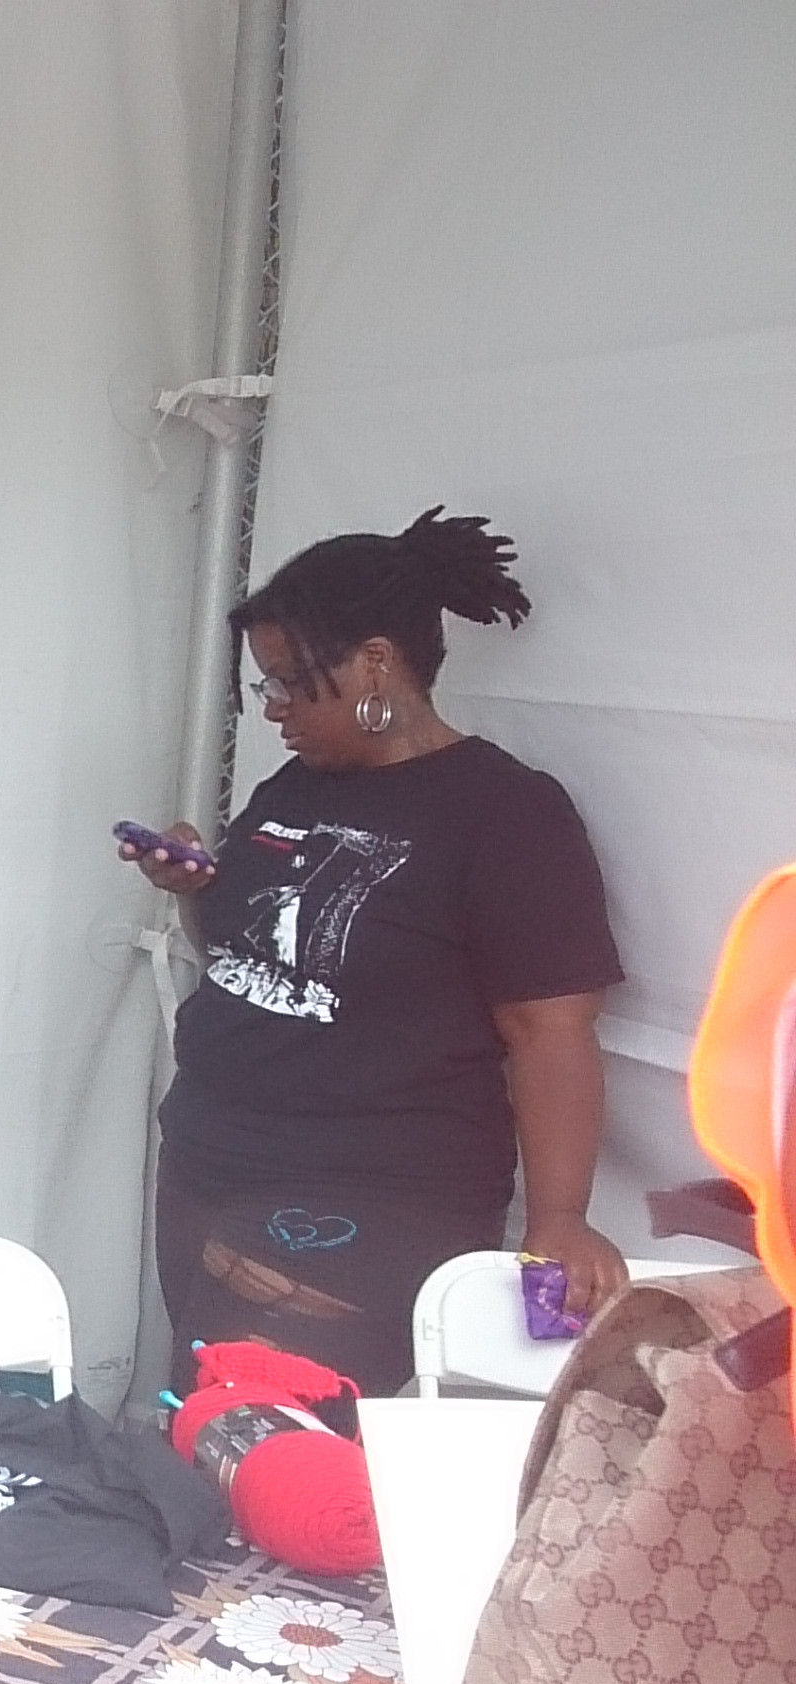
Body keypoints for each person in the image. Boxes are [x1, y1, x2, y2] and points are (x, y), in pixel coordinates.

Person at [124, 507, 626, 1397]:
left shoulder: (506, 815)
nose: (273, 706)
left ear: (376, 663)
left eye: (290, 681)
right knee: (201, 1419)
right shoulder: (300, 782)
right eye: (265, 685)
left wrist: (559, 1218)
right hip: (211, 1156)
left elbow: (551, 1030)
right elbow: (257, 961)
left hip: (366, 1190)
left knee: (269, 1449)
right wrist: (198, 887)